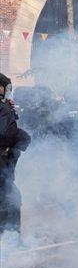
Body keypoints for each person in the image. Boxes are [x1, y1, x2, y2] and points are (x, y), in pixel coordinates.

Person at [0, 72, 31, 238]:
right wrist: (22, 137)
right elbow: (5, 134)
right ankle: (9, 242)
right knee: (10, 198)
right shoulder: (3, 109)